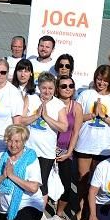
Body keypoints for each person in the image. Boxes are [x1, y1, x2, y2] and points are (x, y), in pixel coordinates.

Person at [74, 65, 110, 220]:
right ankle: (81, 208)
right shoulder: (86, 94)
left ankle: (93, 210)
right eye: (98, 79)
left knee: (97, 182)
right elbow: (76, 118)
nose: (101, 83)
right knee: (82, 179)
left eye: (104, 80)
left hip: (104, 147)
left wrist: (104, 117)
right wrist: (91, 115)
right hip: (84, 144)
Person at [18, 72, 67, 207]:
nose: (47, 91)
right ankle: (23, 207)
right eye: (44, 88)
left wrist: (46, 117)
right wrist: (35, 116)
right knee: (25, 179)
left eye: (50, 88)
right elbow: (20, 120)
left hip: (46, 152)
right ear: (38, 87)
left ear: (55, 89)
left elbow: (64, 127)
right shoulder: (30, 98)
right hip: (28, 149)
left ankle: (39, 212)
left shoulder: (59, 104)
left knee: (42, 183)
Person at [54, 75, 82, 220]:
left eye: (71, 86)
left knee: (65, 186)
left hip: (66, 150)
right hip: (49, 149)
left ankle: (59, 213)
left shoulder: (76, 107)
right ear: (57, 88)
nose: (67, 89)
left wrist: (69, 152)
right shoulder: (52, 103)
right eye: (63, 86)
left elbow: (76, 132)